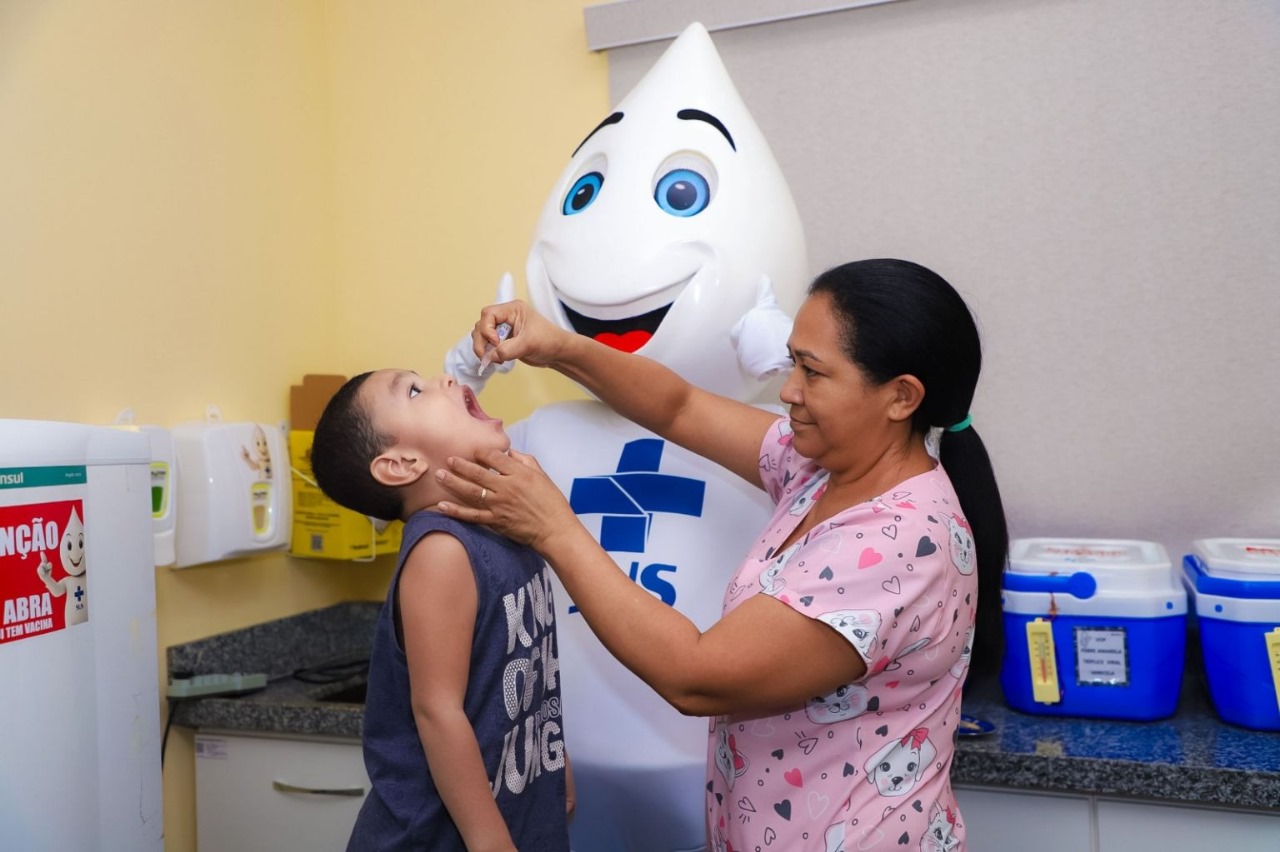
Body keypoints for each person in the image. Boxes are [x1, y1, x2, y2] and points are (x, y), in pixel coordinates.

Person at [432, 258, 1008, 851]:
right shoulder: (819, 467)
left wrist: (553, 527)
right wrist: (557, 347)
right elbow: (678, 407)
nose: (788, 391)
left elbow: (696, 677)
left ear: (901, 397)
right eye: (791, 363)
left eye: (812, 372)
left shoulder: (898, 544)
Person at [309, 369, 573, 852]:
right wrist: (489, 841)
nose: (445, 380)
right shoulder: (441, 551)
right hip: (438, 838)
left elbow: (525, 674)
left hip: (522, 810)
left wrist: (554, 761)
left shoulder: (505, 527)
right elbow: (437, 711)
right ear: (401, 464)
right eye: (413, 390)